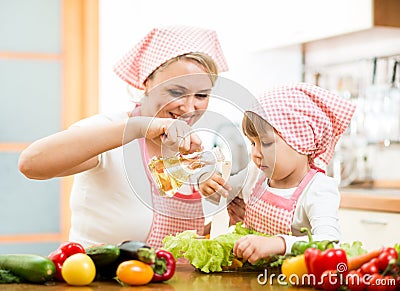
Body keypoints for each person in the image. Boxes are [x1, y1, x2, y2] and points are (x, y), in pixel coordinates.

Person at [18, 25, 230, 249]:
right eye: (176, 92)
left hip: (167, 281)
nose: (189, 107)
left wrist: (222, 222)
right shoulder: (108, 131)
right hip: (99, 279)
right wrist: (138, 128)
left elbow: (172, 237)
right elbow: (30, 164)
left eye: (201, 95)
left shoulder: (191, 149)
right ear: (147, 82)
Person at [200, 83, 356, 264]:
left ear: (300, 140)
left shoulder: (318, 188)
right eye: (252, 143)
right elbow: (223, 193)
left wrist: (278, 244)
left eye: (266, 143)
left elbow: (330, 244)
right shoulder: (255, 174)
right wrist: (208, 184)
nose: (256, 153)